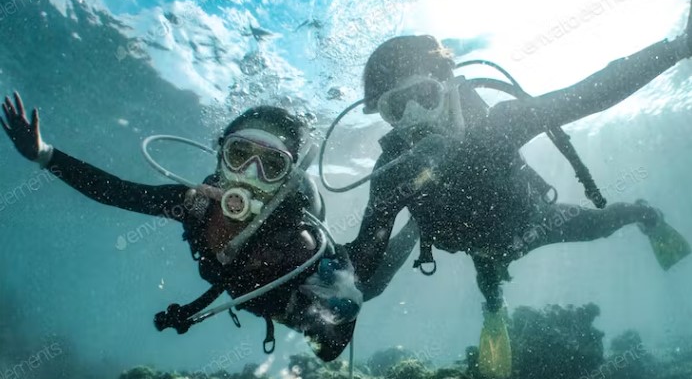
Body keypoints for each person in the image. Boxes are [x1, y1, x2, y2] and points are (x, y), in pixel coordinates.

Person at [344, 0, 692, 377]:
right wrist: (329, 278)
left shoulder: (499, 126)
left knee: (600, 226)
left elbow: (589, 94)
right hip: (478, 247)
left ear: (448, 86)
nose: (415, 118)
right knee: (489, 287)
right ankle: (494, 311)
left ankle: (644, 214)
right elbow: (364, 261)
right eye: (396, 107)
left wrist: (679, 47)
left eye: (424, 96)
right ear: (384, 116)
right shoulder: (393, 170)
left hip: (536, 221)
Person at [1, 95, 418, 361]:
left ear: (287, 179)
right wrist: (43, 154)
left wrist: (333, 304)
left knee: (371, 285)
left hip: (298, 295)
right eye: (240, 155)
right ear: (221, 159)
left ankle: (417, 227)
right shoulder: (195, 205)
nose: (250, 175)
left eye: (271, 165)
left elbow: (333, 342)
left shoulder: (297, 238)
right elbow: (118, 192)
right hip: (250, 296)